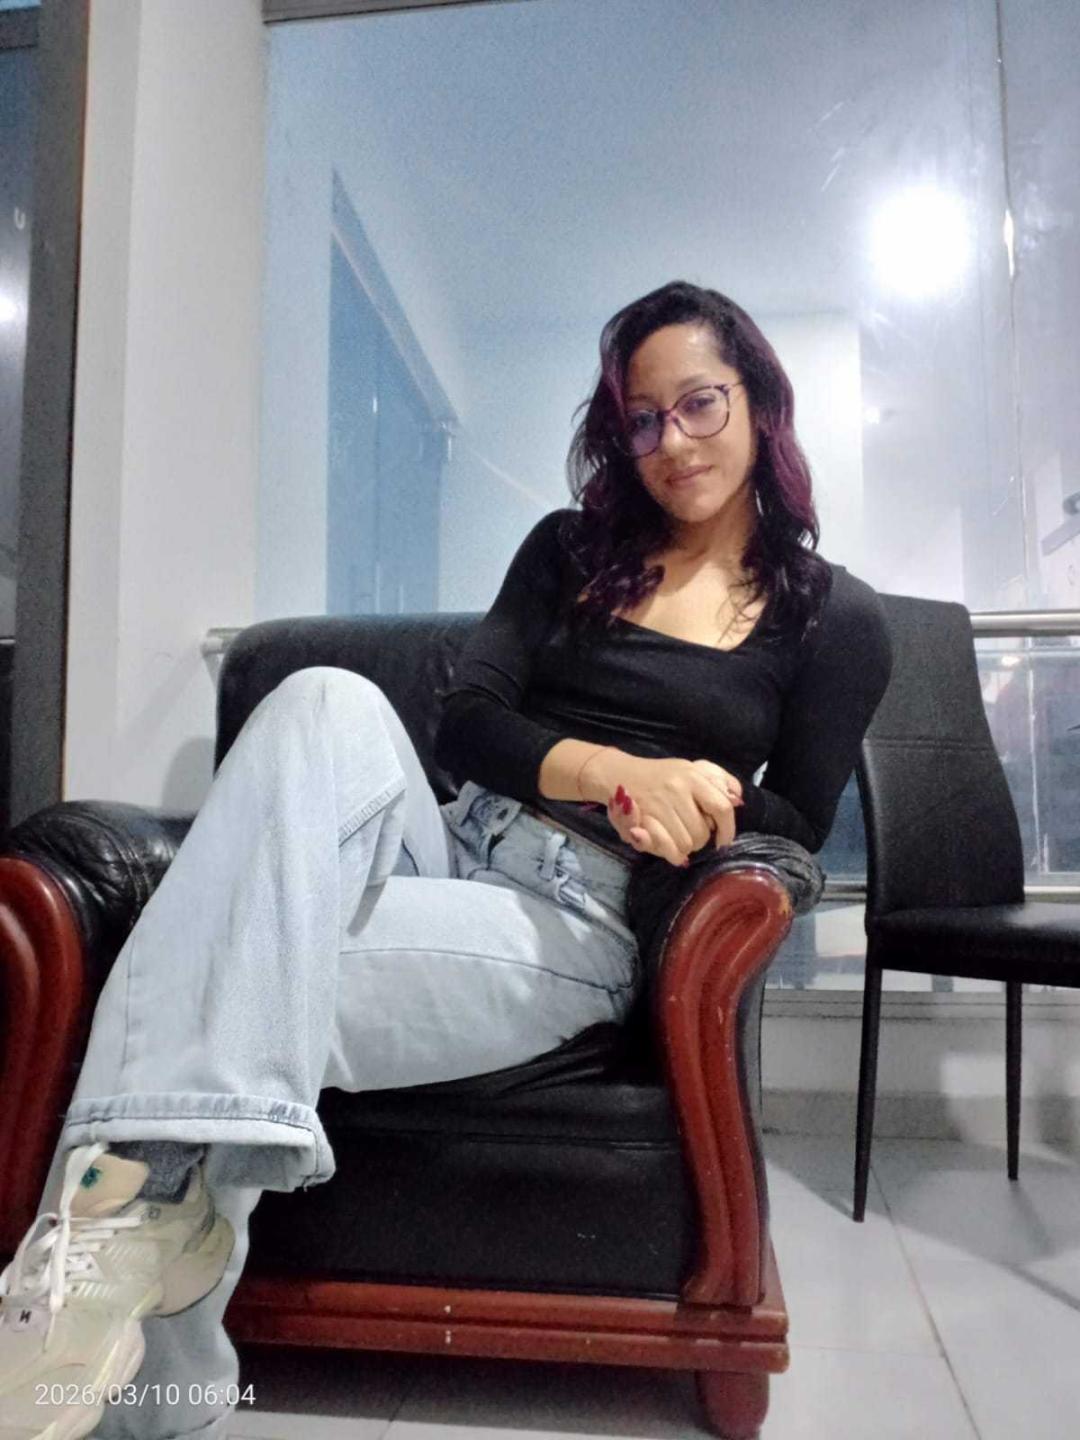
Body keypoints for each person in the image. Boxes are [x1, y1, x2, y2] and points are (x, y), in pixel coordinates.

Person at [0, 280, 892, 1440]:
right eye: (641, 419)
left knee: (219, 964)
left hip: (574, 918)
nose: (672, 443)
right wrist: (616, 771)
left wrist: (696, 795)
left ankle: (101, 1326)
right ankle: (132, 1303)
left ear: (759, 402)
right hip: (448, 837)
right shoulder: (571, 550)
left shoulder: (834, 617)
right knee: (321, 700)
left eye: (699, 404)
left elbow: (798, 821)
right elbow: (466, 722)